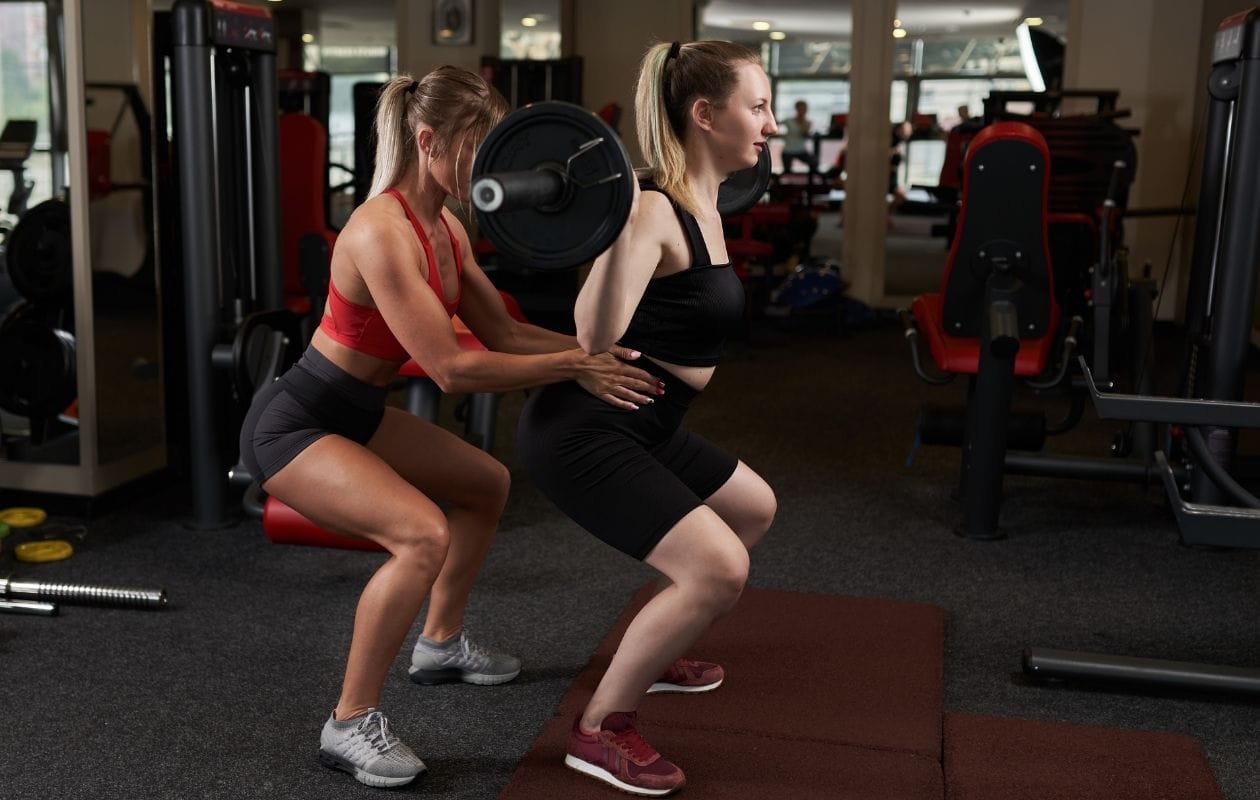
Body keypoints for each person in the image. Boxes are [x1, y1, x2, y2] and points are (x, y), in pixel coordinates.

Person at [238, 66, 661, 789]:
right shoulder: (380, 231)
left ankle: (440, 642)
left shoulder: (447, 228)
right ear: (429, 141)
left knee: (485, 483)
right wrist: (573, 367)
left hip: (356, 413)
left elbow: (504, 332)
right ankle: (349, 721)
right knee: (420, 536)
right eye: (477, 147)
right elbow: (451, 368)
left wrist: (597, 353)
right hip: (297, 424)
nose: (491, 168)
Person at [517, 41, 779, 796]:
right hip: (587, 431)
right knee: (719, 568)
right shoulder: (652, 210)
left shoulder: (707, 204)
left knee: (752, 508)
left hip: (651, 421)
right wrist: (615, 224)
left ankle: (661, 643)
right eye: (758, 107)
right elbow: (592, 336)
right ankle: (600, 729)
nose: (770, 125)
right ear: (706, 115)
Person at [780, 99, 815, 174]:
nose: (802, 111)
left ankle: (810, 179)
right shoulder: (788, 120)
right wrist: (782, 135)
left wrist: (802, 120)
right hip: (788, 150)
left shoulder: (808, 123)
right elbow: (775, 124)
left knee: (814, 163)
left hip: (801, 150)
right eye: (800, 109)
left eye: (804, 109)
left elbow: (805, 134)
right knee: (787, 172)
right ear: (796, 109)